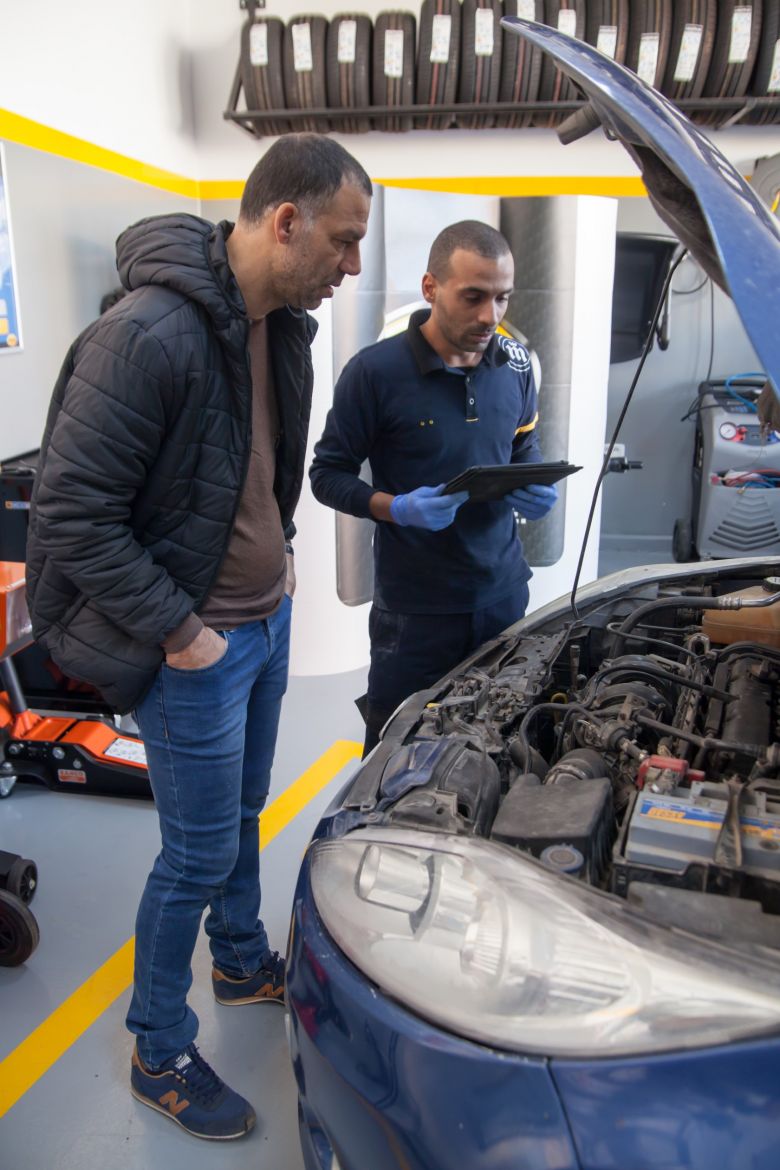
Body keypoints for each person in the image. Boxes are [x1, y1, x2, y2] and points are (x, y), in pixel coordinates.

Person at [25, 134, 372, 1141]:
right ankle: (159, 1047)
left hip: (263, 621)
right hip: (198, 650)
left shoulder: (278, 328)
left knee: (248, 810)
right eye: (343, 242)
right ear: (283, 221)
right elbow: (71, 516)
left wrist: (283, 557)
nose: (351, 266)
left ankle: (235, 957)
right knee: (193, 851)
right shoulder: (148, 335)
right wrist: (180, 633)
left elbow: (254, 468)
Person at [309, 220, 557, 757]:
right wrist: (393, 507)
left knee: (501, 745)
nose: (490, 316)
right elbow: (326, 475)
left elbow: (522, 448)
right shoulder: (373, 373)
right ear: (431, 288)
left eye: (502, 298)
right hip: (415, 612)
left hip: (503, 596)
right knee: (394, 753)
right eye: (473, 297)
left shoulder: (515, 365)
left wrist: (531, 483)